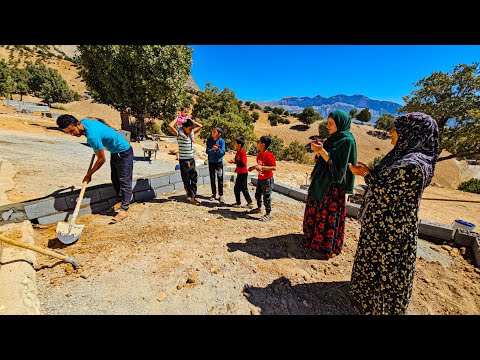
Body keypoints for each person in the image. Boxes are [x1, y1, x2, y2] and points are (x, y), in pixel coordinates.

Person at [348, 112, 439, 315]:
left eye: (396, 128)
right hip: (381, 224)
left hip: (392, 230)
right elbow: (388, 179)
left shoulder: (414, 165)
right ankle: (364, 299)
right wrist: (370, 170)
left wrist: (366, 174)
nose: (390, 132)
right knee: (372, 260)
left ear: (411, 132)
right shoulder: (404, 156)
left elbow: (388, 190)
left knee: (385, 268)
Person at [56, 114, 133, 223]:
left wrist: (89, 174)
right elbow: (95, 118)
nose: (72, 134)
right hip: (115, 151)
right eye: (69, 132)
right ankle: (120, 201)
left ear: (78, 124)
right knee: (115, 179)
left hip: (124, 151)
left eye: (72, 130)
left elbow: (101, 159)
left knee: (124, 180)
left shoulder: (92, 137)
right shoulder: (85, 121)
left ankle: (124, 210)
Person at [303, 110, 357, 259]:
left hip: (332, 187)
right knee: (317, 210)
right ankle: (313, 239)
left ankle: (325, 245)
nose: (328, 126)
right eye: (327, 123)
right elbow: (324, 159)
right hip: (322, 182)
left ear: (340, 123)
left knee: (327, 213)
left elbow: (340, 168)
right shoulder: (332, 138)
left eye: (331, 123)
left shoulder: (347, 141)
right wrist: (319, 151)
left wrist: (323, 152)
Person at [168, 117, 203, 205]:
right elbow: (170, 126)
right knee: (186, 180)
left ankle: (193, 197)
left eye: (192, 129)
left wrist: (191, 120)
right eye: (190, 128)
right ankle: (189, 193)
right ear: (184, 127)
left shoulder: (190, 133)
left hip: (191, 160)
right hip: (184, 162)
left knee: (194, 179)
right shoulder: (179, 134)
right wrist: (177, 118)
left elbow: (200, 126)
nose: (191, 130)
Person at [248, 136, 276, 221]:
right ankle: (259, 208)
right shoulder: (259, 154)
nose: (257, 143)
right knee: (258, 194)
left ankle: (268, 214)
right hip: (260, 178)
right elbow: (259, 165)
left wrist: (263, 168)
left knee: (266, 196)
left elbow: (274, 168)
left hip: (267, 180)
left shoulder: (269, 155)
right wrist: (253, 167)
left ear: (263, 144)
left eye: (258, 142)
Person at [228, 136, 253, 208]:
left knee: (243, 188)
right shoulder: (238, 152)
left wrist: (235, 162)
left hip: (243, 173)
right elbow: (237, 160)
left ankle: (249, 203)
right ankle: (239, 203)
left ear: (239, 145)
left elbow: (243, 163)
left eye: (235, 143)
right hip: (240, 173)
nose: (234, 144)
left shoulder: (242, 152)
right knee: (238, 188)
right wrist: (233, 161)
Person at [206, 126, 226, 203]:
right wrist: (212, 150)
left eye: (214, 131)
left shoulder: (221, 141)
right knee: (212, 178)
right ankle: (213, 194)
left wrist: (217, 149)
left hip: (218, 163)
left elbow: (222, 153)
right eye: (212, 131)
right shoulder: (209, 140)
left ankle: (221, 195)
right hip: (211, 162)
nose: (212, 133)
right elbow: (207, 151)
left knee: (220, 179)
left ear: (219, 134)